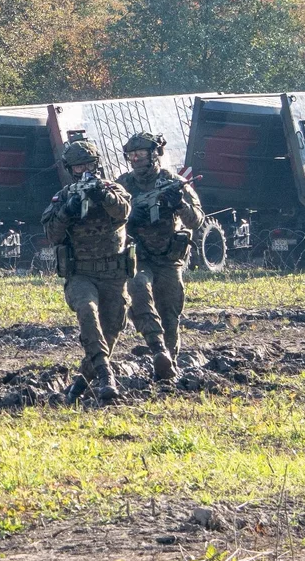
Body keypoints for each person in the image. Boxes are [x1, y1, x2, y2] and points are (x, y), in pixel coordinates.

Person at [42, 141, 134, 401]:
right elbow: (51, 235)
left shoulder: (113, 189)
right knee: (87, 311)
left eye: (88, 164)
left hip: (114, 276)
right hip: (81, 275)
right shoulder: (63, 197)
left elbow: (124, 212)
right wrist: (67, 211)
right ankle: (106, 375)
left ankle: (79, 387)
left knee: (110, 331)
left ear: (97, 164)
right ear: (70, 169)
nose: (84, 170)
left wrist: (102, 196)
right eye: (78, 166)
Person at [117, 133, 205, 381]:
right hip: (139, 256)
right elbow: (108, 219)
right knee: (139, 291)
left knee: (170, 311)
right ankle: (157, 348)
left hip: (168, 258)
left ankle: (169, 363)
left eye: (140, 154)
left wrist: (179, 204)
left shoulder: (173, 182)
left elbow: (197, 221)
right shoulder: (123, 184)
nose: (135, 159)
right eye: (131, 155)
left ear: (154, 154)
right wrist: (128, 218)